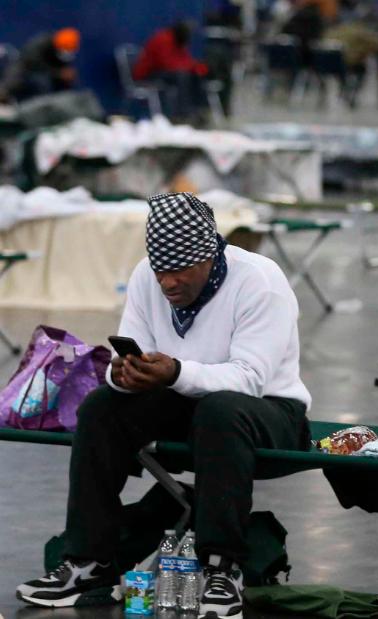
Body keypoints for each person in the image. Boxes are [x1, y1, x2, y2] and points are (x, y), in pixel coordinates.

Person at [16, 193, 312, 619]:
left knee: (220, 410)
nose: (167, 283)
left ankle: (222, 568)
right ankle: (88, 561)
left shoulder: (259, 282)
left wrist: (174, 372)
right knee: (101, 407)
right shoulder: (146, 277)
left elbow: (249, 379)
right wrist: (122, 375)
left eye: (179, 271)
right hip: (188, 402)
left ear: (209, 256)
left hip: (269, 412)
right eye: (160, 271)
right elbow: (130, 353)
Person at [132, 22, 210, 122]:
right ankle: (182, 114)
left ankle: (198, 110)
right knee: (182, 76)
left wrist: (197, 68)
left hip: (165, 73)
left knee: (195, 75)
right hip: (148, 74)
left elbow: (185, 60)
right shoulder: (163, 39)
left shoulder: (178, 41)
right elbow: (166, 63)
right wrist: (189, 67)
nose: (189, 39)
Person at [0, 28, 81, 103]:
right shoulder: (42, 42)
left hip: (45, 76)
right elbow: (31, 60)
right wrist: (58, 72)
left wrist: (65, 75)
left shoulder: (63, 54)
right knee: (15, 75)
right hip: (26, 68)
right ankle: (3, 95)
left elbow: (63, 68)